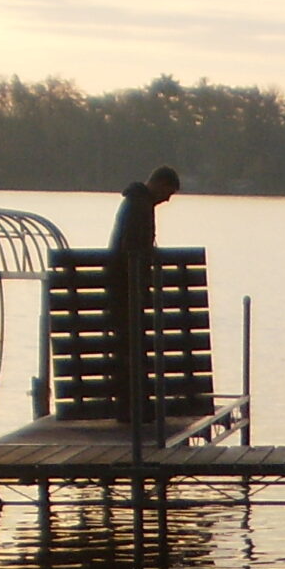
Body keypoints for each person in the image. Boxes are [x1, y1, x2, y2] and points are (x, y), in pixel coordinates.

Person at [106, 165, 180, 424]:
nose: (167, 200)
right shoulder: (140, 205)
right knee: (134, 349)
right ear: (158, 184)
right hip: (127, 290)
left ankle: (132, 406)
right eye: (168, 193)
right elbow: (134, 250)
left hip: (120, 289)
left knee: (131, 348)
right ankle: (135, 408)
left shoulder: (134, 202)